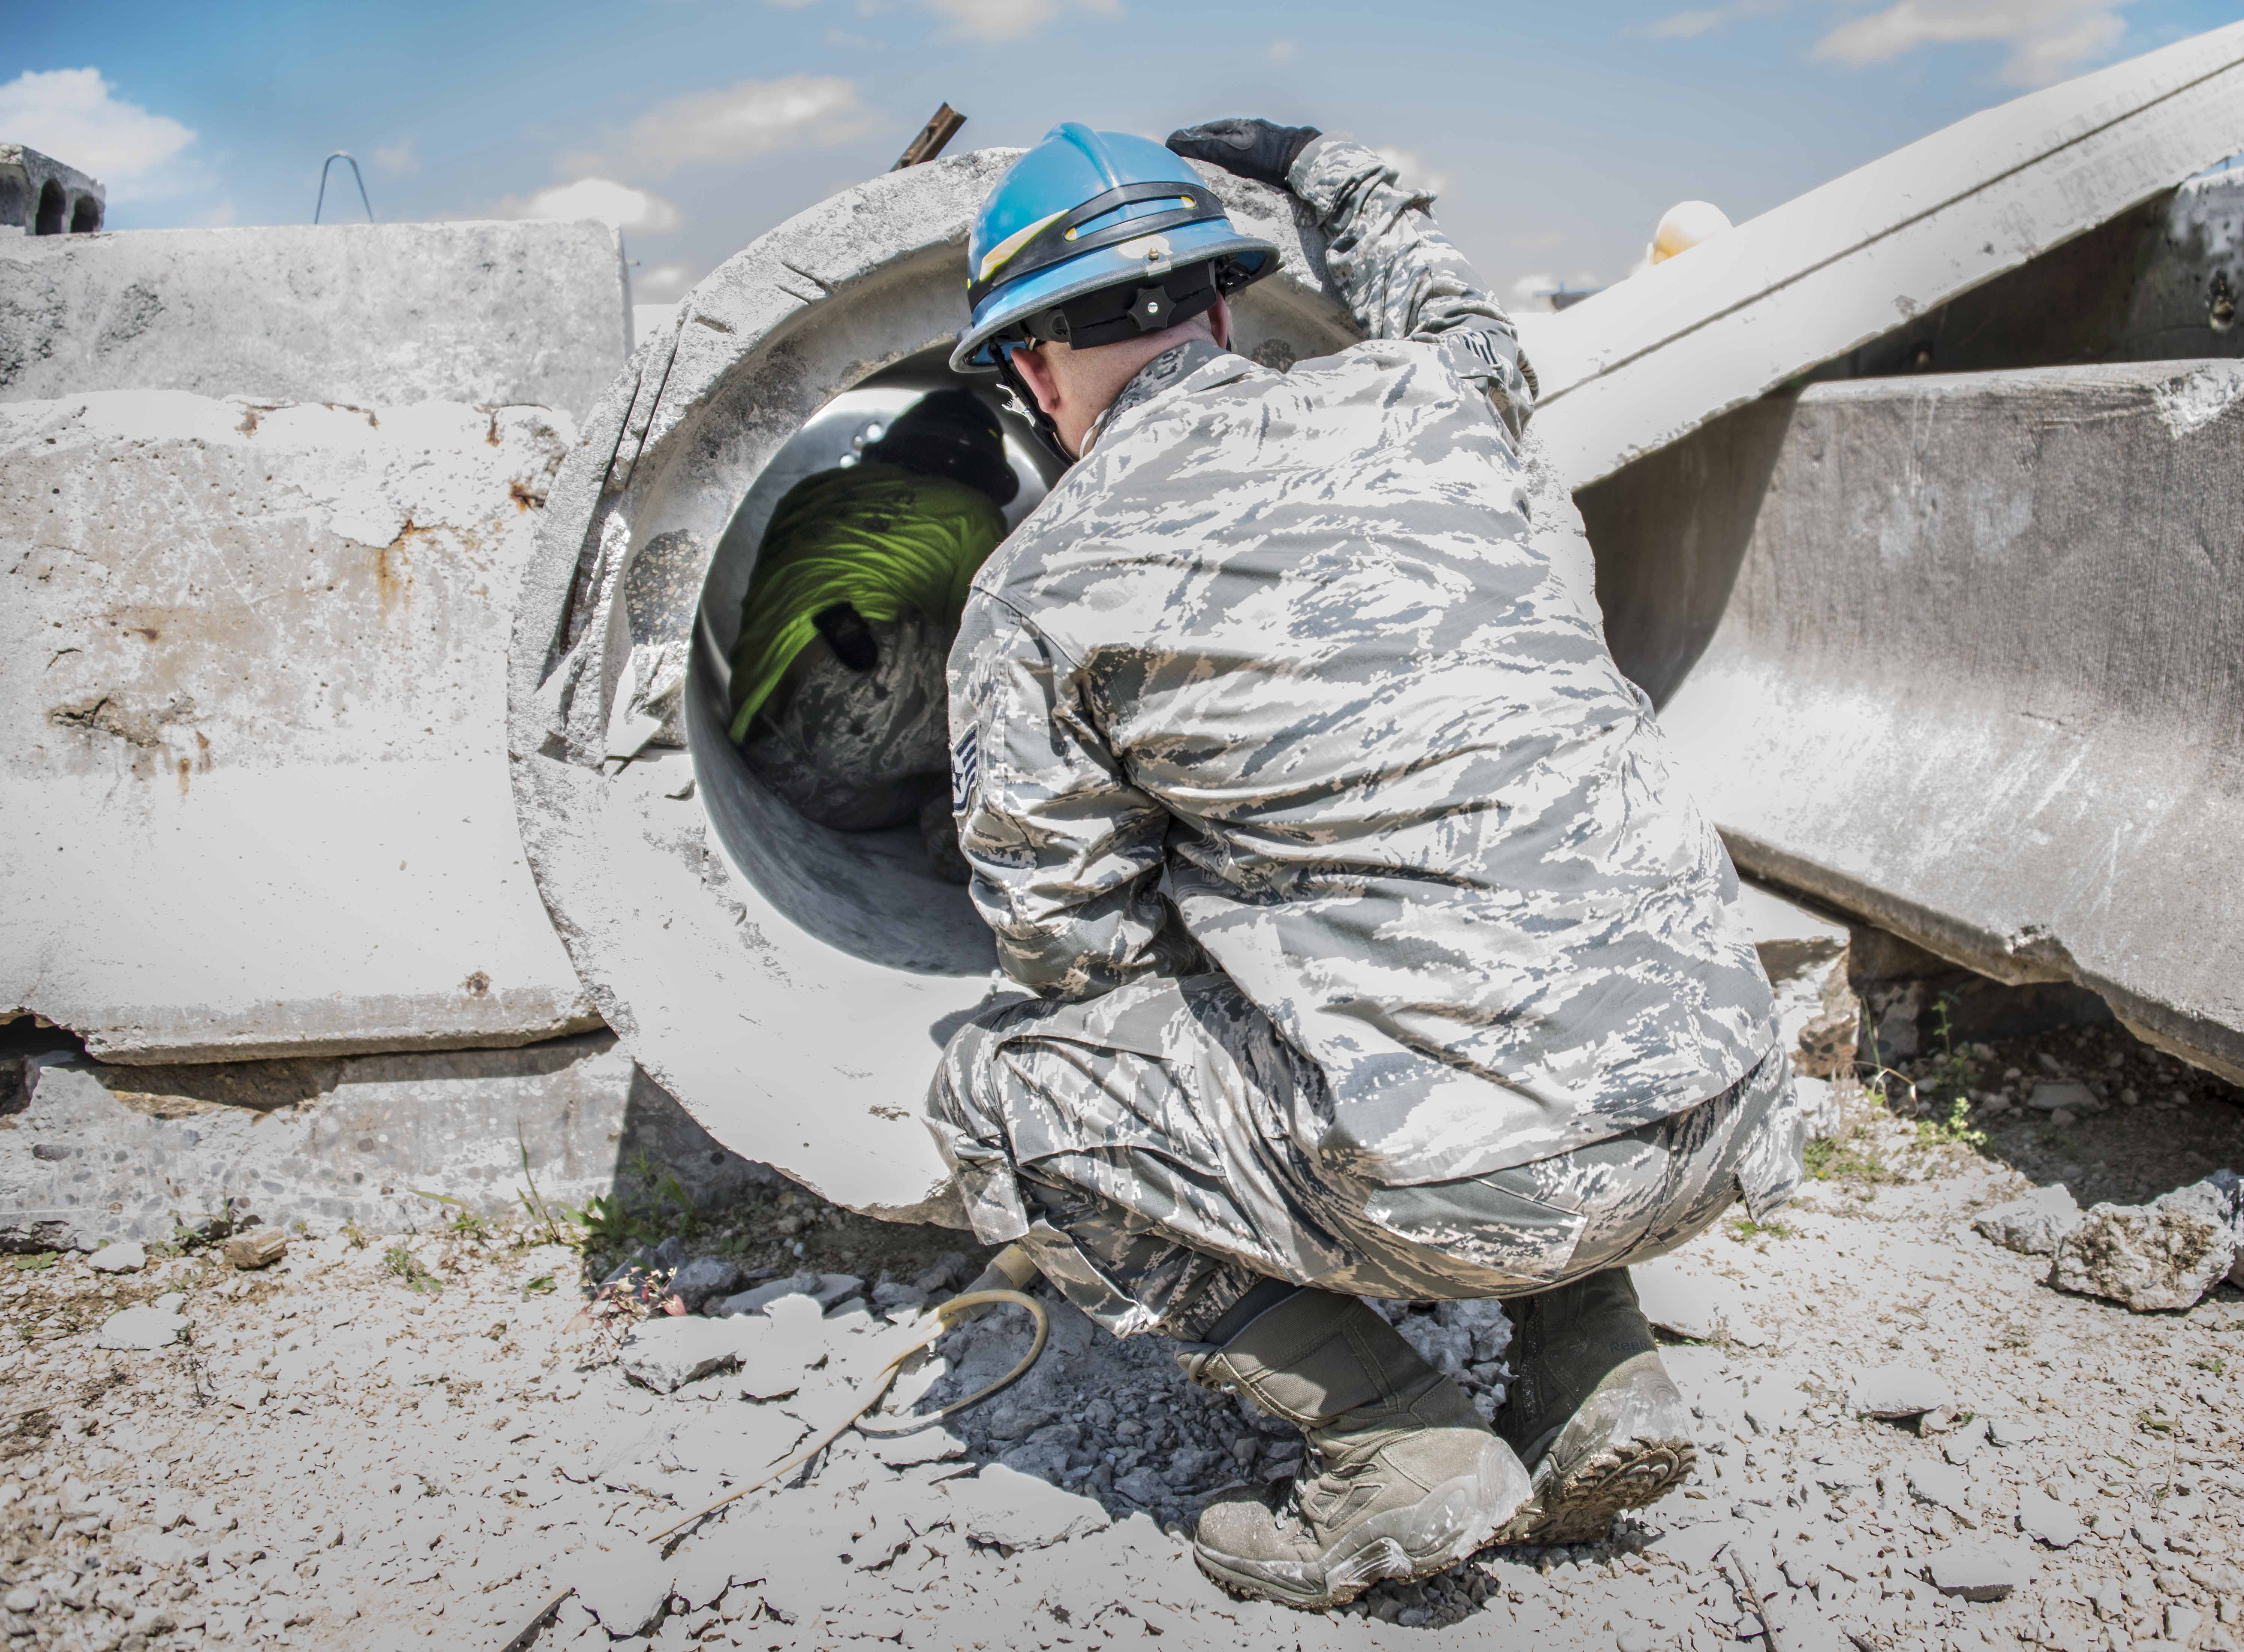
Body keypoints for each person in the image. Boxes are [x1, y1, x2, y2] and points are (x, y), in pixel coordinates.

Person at [925, 119, 1803, 1608]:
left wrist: (1231, 889)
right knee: (1492, 927)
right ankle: (1593, 1365)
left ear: (1029, 370)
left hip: (1474, 1179)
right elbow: (1467, 322)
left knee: (999, 1091)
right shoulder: (1430, 398)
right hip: (1719, 1103)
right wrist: (1334, 173)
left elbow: (1066, 949)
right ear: (1219, 312)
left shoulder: (1037, 591)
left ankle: (1392, 1450)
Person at [727, 389, 1021, 881]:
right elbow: (978, 638)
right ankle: (994, 854)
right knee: (1019, 674)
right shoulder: (973, 512)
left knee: (921, 777)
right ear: (984, 472)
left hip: (772, 753)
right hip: (859, 696)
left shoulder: (810, 491)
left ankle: (951, 818)